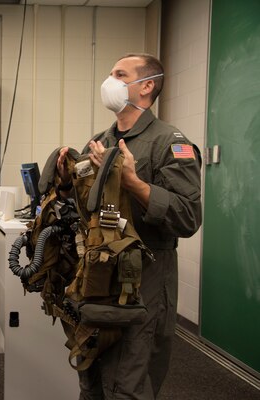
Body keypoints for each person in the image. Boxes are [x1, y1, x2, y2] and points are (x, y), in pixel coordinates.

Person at [56, 54, 202, 399]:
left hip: (146, 280)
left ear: (146, 86)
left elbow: (187, 217)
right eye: (110, 74)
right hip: (99, 275)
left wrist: (133, 182)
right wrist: (66, 182)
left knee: (131, 378)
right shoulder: (100, 141)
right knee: (90, 370)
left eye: (120, 75)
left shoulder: (171, 143)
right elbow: (88, 210)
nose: (110, 82)